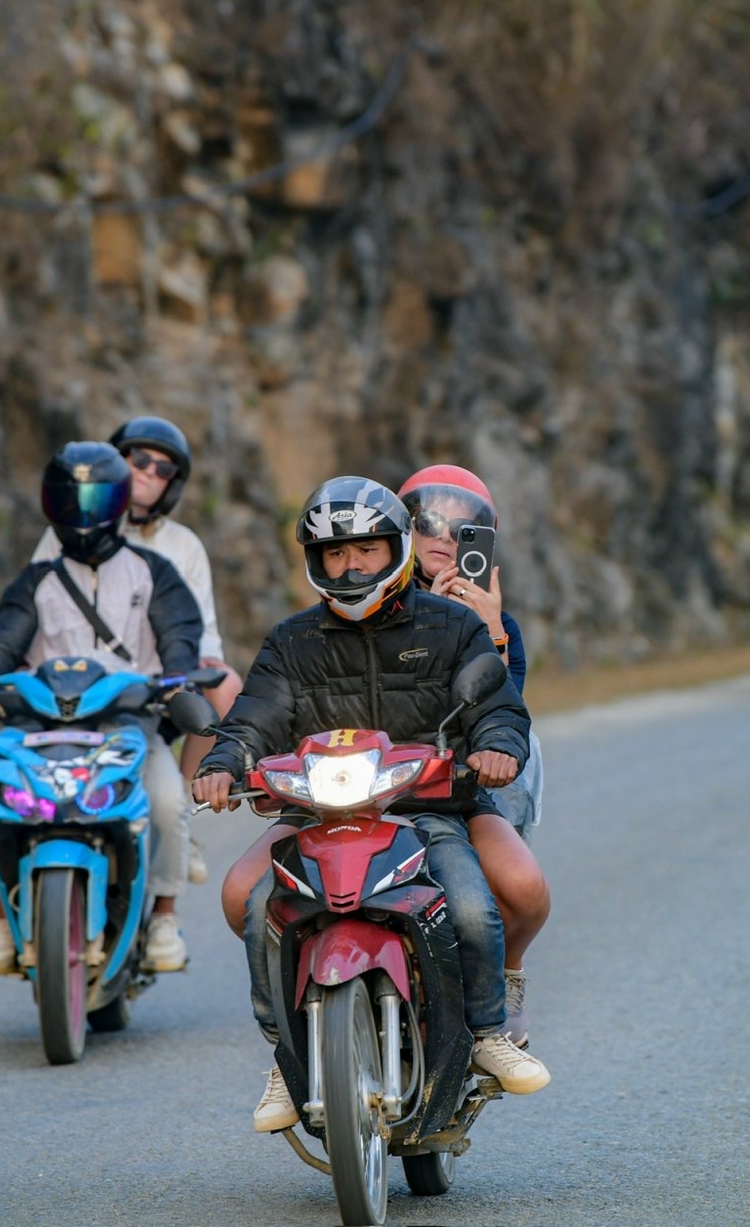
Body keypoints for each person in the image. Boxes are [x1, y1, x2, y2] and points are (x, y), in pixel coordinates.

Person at [194, 477, 550, 1133]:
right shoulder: (292, 640)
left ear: (396, 549)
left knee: (471, 904)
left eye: (365, 548)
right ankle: (287, 1059)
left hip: (428, 807)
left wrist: (497, 744)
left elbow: (498, 703)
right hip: (315, 812)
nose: (351, 565)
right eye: (335, 553)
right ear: (315, 559)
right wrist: (224, 762)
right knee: (252, 905)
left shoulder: (454, 624)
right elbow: (254, 717)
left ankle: (487, 1034)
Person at [0, 442, 205, 975]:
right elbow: (0, 642)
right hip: (41, 728)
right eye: (70, 502)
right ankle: (3, 917)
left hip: (128, 726)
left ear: (117, 502)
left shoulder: (154, 572)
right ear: (50, 505)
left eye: (94, 501)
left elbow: (181, 635)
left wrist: (177, 680)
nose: (82, 516)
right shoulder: (36, 580)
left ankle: (162, 914)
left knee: (164, 799)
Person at [31, 416, 244, 882]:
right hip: (74, 679)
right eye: (139, 460)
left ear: (173, 485)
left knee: (223, 683)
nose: (149, 472)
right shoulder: (66, 530)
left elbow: (203, 631)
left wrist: (188, 669)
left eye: (163, 469)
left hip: (153, 684)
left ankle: (183, 816)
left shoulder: (182, 547)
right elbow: (32, 610)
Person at [398, 465, 550, 1047]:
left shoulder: (498, 620)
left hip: (458, 778)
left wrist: (486, 632)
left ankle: (505, 974)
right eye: (429, 519)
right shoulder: (369, 600)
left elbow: (501, 710)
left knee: (522, 887)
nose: (444, 534)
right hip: (378, 778)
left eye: (465, 525)